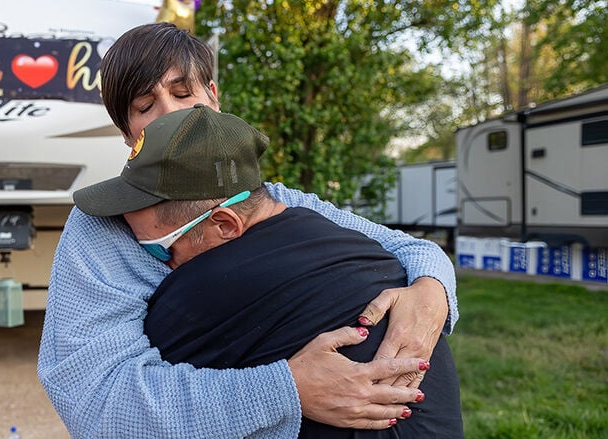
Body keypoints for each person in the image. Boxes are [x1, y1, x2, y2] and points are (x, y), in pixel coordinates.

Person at [38, 22, 458, 438]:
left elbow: (407, 248)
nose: (171, 114)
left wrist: (431, 292)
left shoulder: (279, 201)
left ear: (213, 97)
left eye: (183, 93)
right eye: (145, 106)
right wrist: (285, 390)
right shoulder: (102, 230)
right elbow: (95, 401)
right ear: (127, 133)